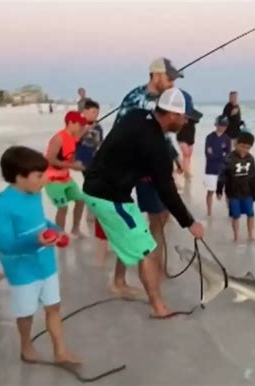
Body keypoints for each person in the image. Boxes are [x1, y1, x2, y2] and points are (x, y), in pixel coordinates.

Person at [83, 88, 204, 317]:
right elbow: (167, 190)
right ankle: (158, 307)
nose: (187, 121)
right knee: (147, 249)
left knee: (130, 238)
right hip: (109, 196)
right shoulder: (154, 144)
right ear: (172, 115)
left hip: (105, 189)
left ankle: (119, 283)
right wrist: (190, 223)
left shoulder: (136, 115)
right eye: (185, 116)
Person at [112, 57, 199, 294]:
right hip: (131, 169)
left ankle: (157, 268)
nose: (172, 84)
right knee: (130, 223)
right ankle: (119, 280)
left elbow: (162, 134)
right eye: (169, 78)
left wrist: (174, 159)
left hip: (152, 165)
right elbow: (124, 136)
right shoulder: (137, 100)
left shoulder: (163, 100)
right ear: (155, 75)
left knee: (159, 218)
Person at [0, 146, 80, 364]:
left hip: (46, 262)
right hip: (22, 269)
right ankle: (26, 345)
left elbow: (42, 222)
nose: (45, 180)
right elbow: (5, 246)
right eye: (39, 176)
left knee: (53, 306)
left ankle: (60, 352)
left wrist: (57, 231)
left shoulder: (34, 195)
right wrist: (35, 241)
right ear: (19, 177)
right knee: (26, 312)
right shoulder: (3, 206)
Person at [44, 111, 86, 237]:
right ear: (70, 123)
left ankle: (75, 228)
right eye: (79, 124)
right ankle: (60, 233)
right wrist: (73, 166)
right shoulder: (58, 138)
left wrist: (76, 164)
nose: (81, 127)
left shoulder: (73, 138)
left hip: (66, 178)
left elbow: (68, 158)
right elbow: (50, 159)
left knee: (80, 200)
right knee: (63, 208)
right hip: (52, 180)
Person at [217, 132, 255, 242]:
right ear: (236, 144)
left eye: (248, 148)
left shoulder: (251, 159)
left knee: (251, 213)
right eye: (242, 146)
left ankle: (251, 235)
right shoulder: (228, 158)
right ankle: (236, 237)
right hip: (233, 193)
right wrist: (219, 190)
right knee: (236, 216)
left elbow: (254, 176)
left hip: (247, 192)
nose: (244, 150)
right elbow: (222, 176)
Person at [204, 115, 232, 216]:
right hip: (211, 169)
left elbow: (228, 155)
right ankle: (209, 212)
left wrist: (218, 155)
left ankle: (230, 212)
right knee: (210, 191)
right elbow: (208, 154)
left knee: (228, 192)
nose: (222, 127)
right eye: (221, 125)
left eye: (224, 126)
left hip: (223, 170)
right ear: (216, 125)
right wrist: (221, 155)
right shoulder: (209, 137)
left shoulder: (227, 139)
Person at [177, 114, 202, 178]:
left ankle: (183, 168)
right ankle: (186, 172)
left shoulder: (192, 119)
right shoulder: (179, 117)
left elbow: (200, 116)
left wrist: (188, 117)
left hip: (190, 139)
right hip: (181, 138)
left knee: (189, 156)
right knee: (186, 154)